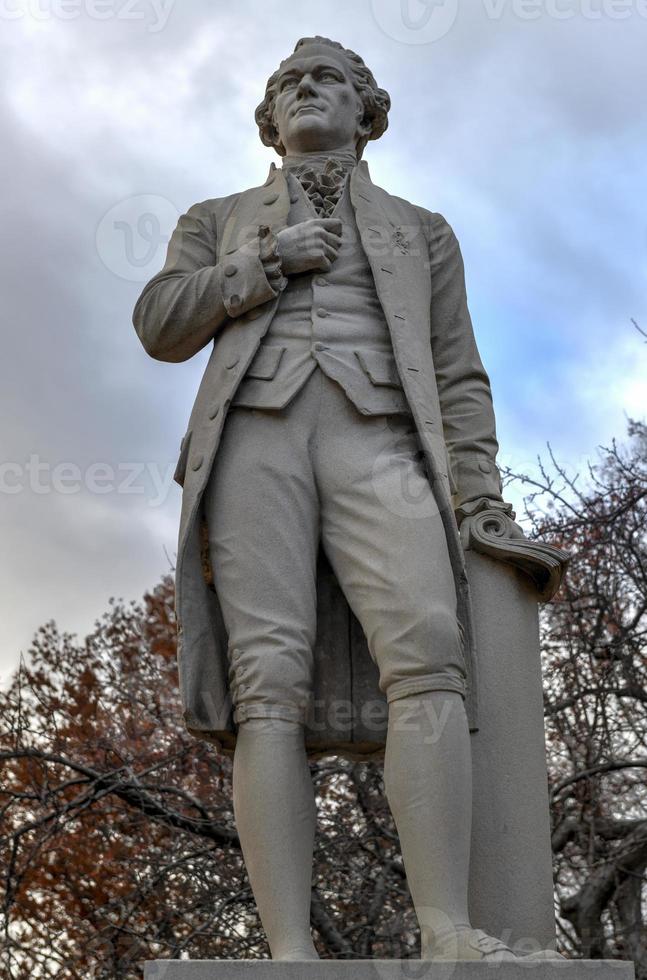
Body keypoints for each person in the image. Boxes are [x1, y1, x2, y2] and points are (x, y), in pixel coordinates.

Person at [133, 36, 556, 963]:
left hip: (381, 440)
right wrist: (261, 266)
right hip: (256, 436)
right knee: (267, 681)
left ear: (367, 113)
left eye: (325, 79)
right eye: (287, 84)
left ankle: (447, 929)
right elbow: (159, 322)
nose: (304, 91)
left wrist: (478, 492)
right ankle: (288, 949)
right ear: (268, 121)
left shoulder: (422, 228)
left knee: (430, 650)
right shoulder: (218, 216)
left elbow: (457, 374)